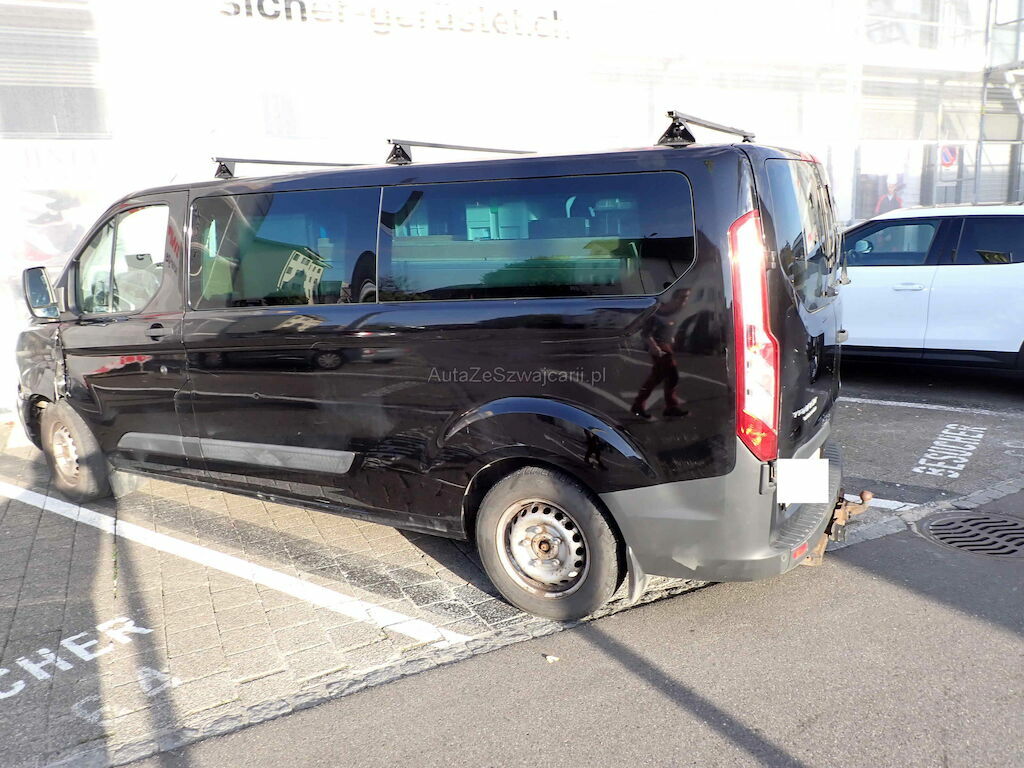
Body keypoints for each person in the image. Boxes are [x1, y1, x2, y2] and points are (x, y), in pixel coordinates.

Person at [631, 287, 690, 419]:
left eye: (686, 298)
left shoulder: (676, 311)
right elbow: (646, 333)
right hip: (659, 347)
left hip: (666, 345)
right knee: (670, 376)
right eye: (682, 297)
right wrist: (655, 347)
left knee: (659, 377)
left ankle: (640, 405)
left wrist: (672, 339)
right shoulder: (658, 310)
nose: (685, 301)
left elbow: (669, 328)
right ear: (674, 298)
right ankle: (669, 407)